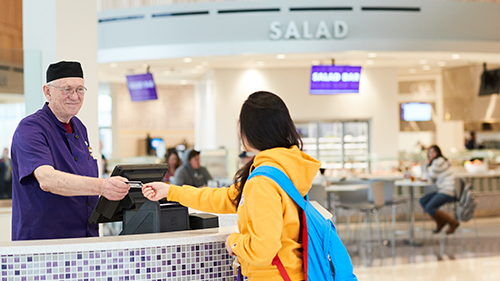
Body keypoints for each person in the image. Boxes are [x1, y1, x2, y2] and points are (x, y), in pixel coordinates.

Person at [142, 91, 321, 280]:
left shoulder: (263, 181)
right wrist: (170, 191)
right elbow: (225, 198)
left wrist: (234, 242)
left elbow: (263, 249)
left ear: (254, 129)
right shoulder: (283, 168)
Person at [10, 61, 130, 240]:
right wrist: (102, 186)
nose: (75, 96)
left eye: (80, 89)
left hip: (85, 236)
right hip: (44, 240)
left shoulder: (79, 128)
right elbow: (47, 179)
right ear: (48, 91)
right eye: (67, 89)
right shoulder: (31, 128)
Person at [419, 145, 459, 235]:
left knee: (430, 207)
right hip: (443, 189)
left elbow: (431, 178)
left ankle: (452, 222)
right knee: (423, 200)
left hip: (448, 191)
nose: (431, 154)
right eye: (430, 152)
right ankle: (440, 222)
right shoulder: (440, 161)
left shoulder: (438, 161)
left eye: (433, 152)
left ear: (438, 153)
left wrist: (426, 166)